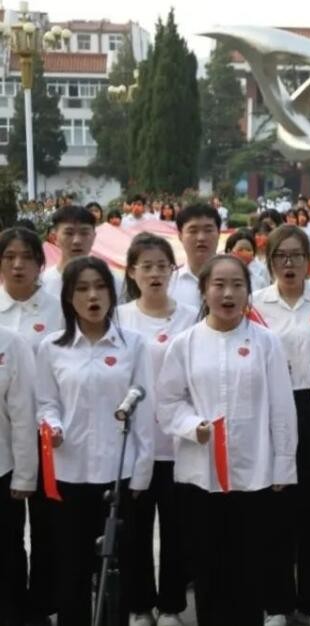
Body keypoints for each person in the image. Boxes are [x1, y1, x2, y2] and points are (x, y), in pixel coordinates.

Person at [158, 254, 298, 626]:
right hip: (199, 475)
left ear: (248, 292)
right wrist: (193, 425)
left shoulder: (266, 342)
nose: (228, 292)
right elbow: (168, 401)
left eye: (237, 284)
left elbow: (282, 407)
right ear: (203, 291)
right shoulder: (184, 344)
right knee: (208, 567)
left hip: (254, 474)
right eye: (218, 284)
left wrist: (283, 465)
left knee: (249, 566)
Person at [35, 256, 156, 626]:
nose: (92, 296)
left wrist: (141, 473)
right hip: (69, 472)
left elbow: (145, 411)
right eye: (82, 288)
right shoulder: (51, 347)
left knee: (115, 568)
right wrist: (52, 427)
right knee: (71, 567)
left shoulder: (133, 344)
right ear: (68, 297)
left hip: (117, 472)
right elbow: (46, 403)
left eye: (100, 287)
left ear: (113, 293)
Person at [252, 226, 310, 626]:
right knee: (274, 511)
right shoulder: (255, 304)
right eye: (280, 256)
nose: (289, 264)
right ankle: (275, 603)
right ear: (269, 262)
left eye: (297, 256)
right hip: (271, 409)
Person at [116, 234, 198, 626]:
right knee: (135, 528)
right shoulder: (120, 318)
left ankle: (171, 605)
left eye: (161, 266)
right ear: (131, 272)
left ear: (172, 270)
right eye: (145, 266)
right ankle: (138, 605)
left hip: (180, 443)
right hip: (135, 443)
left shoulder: (191, 316)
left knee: (178, 527)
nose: (154, 273)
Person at [0, 227, 63, 625]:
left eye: (26, 256)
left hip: (52, 436)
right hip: (9, 439)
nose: (18, 264)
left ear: (42, 263)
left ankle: (40, 605)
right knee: (8, 536)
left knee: (47, 529)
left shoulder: (58, 309)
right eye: (9, 256)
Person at [0, 326, 35, 626]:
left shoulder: (12, 342)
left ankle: (13, 614)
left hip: (3, 467)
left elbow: (23, 413)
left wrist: (24, 475)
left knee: (8, 549)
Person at [41, 205, 124, 298]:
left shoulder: (113, 280)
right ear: (54, 238)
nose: (77, 240)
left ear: (94, 237)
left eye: (84, 233)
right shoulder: (42, 283)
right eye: (69, 233)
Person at [169, 204, 222, 311]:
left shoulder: (238, 281)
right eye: (193, 231)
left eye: (208, 230)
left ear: (219, 233)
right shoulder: (169, 284)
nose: (201, 238)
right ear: (180, 236)